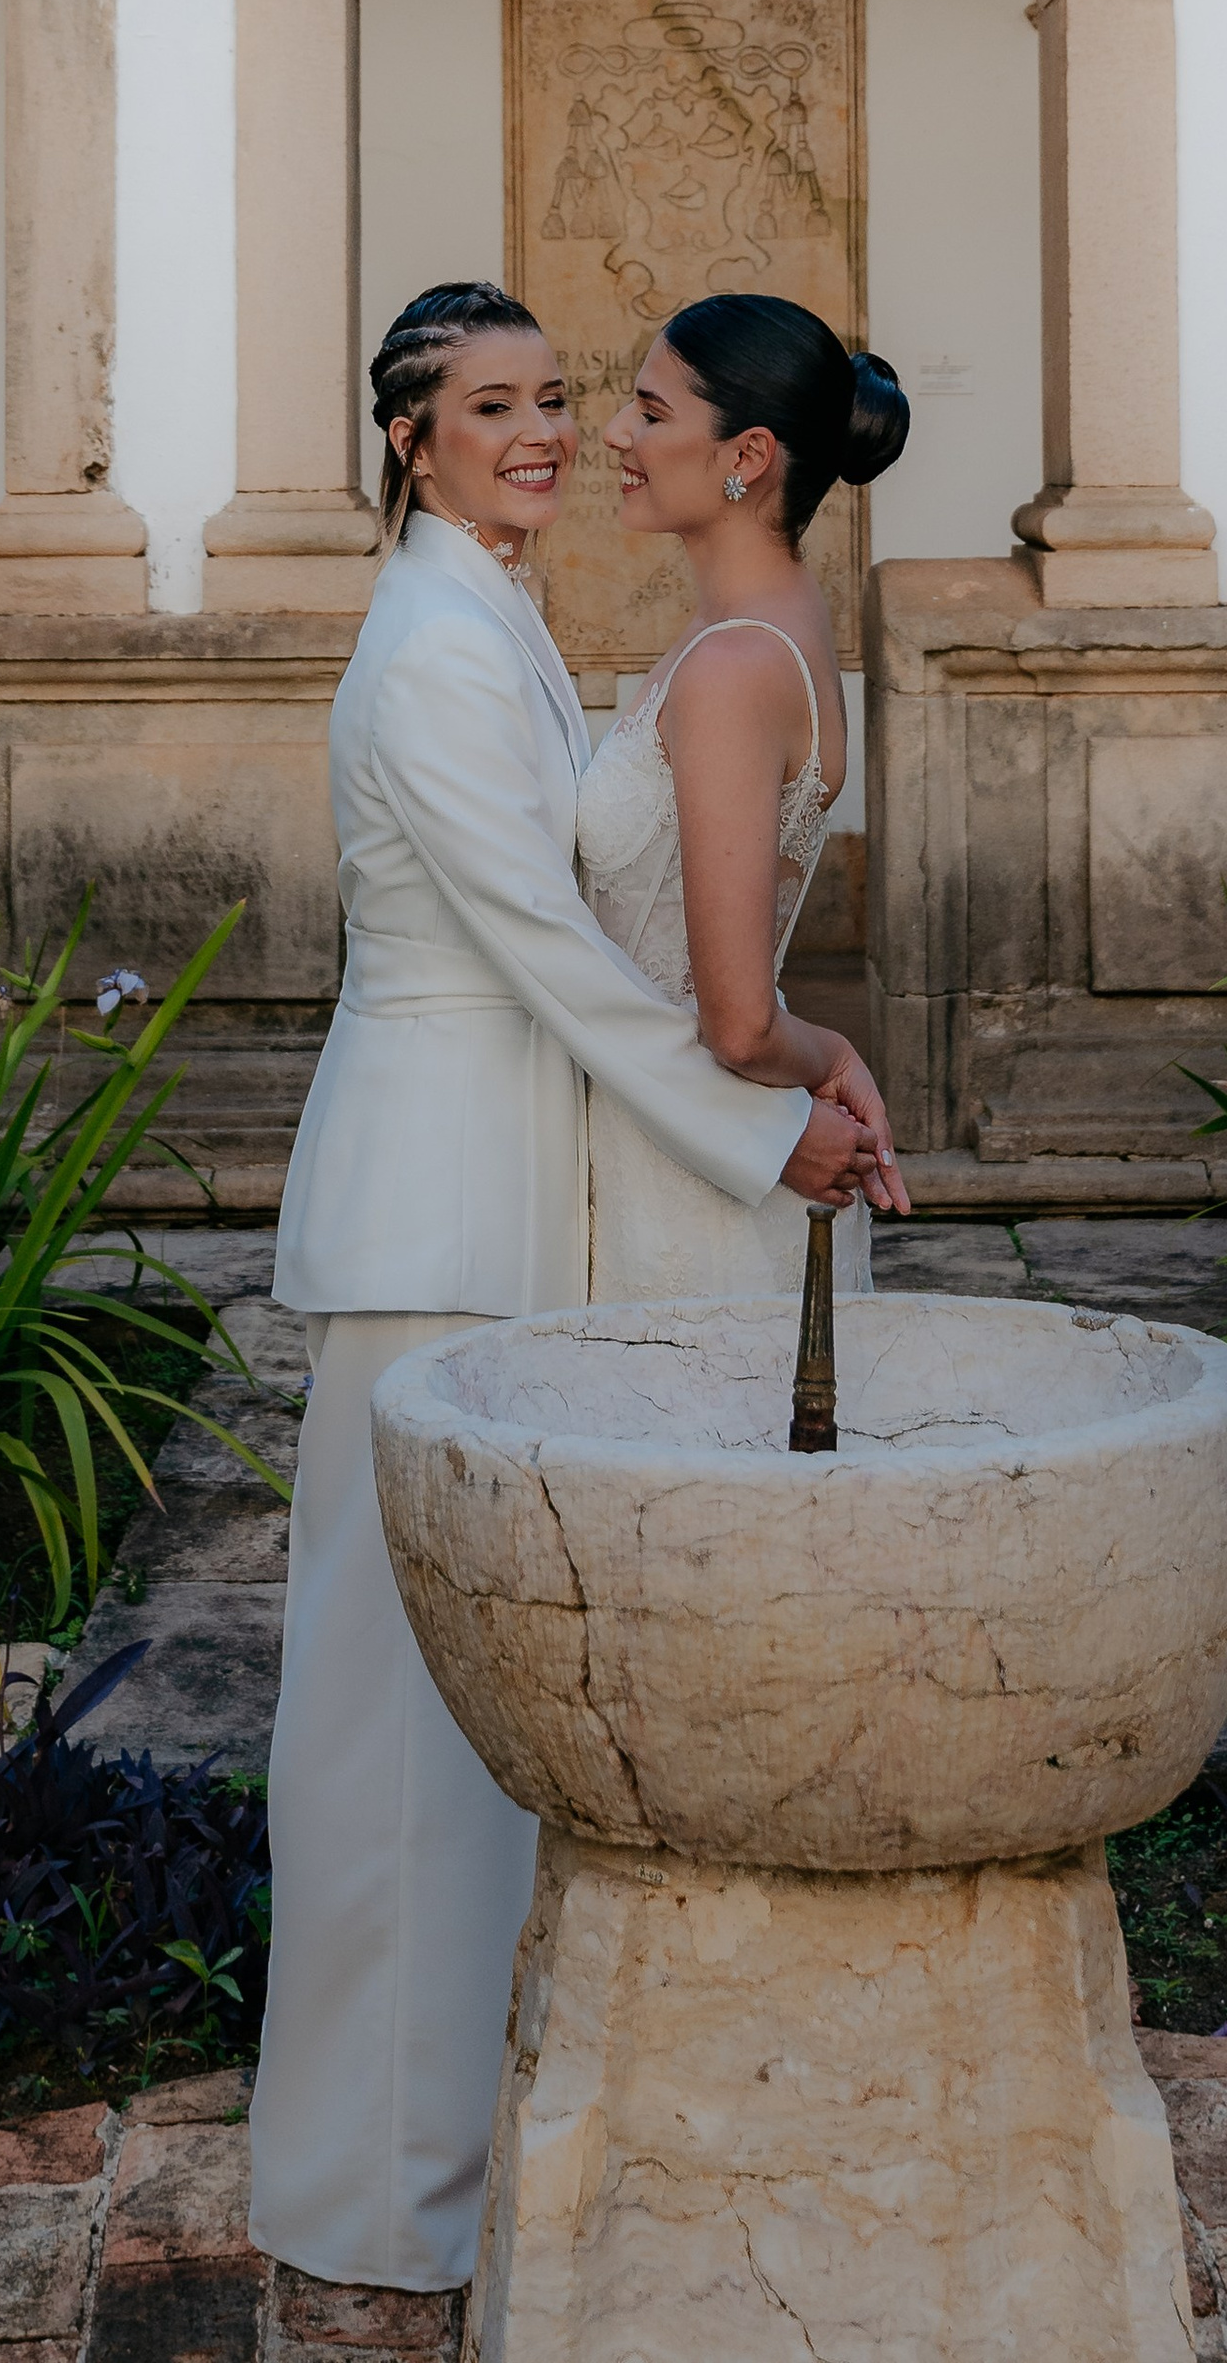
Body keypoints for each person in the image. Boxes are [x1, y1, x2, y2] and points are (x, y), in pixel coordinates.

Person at [248, 282, 892, 2303]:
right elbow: (550, 948)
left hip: (520, 1209)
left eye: (562, 396)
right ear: (409, 441)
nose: (544, 432)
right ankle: (374, 2205)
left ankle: (472, 2151)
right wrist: (760, 1132)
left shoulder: (504, 613)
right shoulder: (438, 645)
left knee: (485, 1735)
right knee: (389, 1735)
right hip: (433, 1213)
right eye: (494, 407)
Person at [582, 294, 914, 1301]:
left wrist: (833, 1053)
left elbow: (738, 1027)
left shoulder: (733, 667)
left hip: (692, 1187)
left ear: (749, 454)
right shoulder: (768, 617)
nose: (616, 433)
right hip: (671, 1139)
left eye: (651, 412)